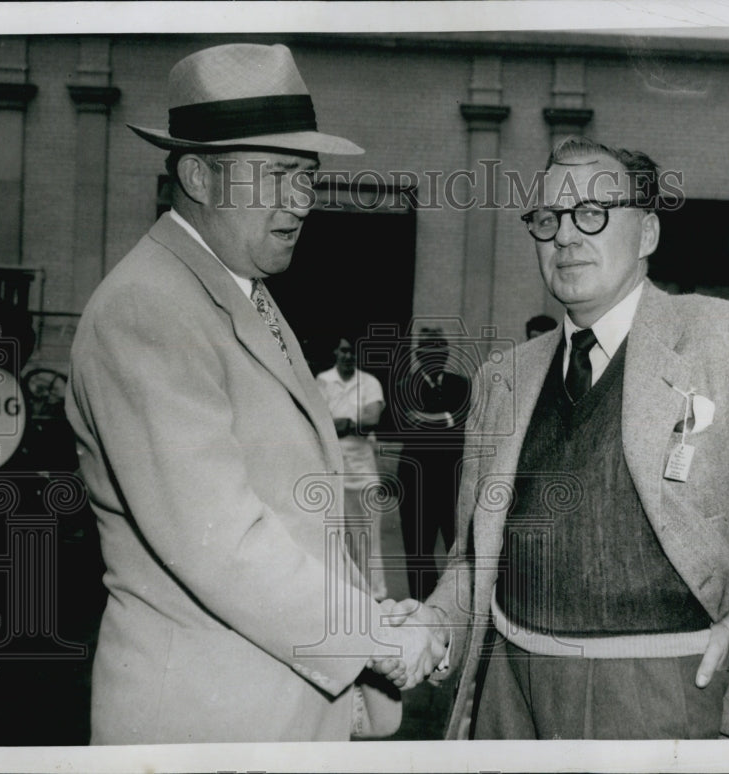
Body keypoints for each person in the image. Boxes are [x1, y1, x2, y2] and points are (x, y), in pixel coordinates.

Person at [411, 136, 729, 739]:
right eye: (548, 218)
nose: (567, 236)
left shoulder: (727, 343)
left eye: (593, 213)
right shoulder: (504, 378)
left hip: (665, 694)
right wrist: (432, 623)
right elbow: (474, 558)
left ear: (648, 234)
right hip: (510, 694)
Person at [65, 43, 444, 744]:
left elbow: (302, 514)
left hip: (277, 706)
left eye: (307, 178)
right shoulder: (148, 309)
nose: (301, 204)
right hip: (201, 722)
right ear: (198, 176)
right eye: (275, 177)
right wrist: (376, 637)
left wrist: (373, 620)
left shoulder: (240, 296)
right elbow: (224, 544)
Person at [383, 327, 471, 601]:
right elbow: (400, 424)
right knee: (418, 549)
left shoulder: (462, 385)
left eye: (441, 350)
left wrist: (429, 419)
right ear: (419, 355)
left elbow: (465, 424)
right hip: (416, 480)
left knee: (457, 548)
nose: (437, 356)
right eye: (429, 350)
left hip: (453, 480)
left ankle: (455, 605)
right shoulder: (404, 386)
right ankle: (422, 608)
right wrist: (446, 419)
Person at [317, 336, 389, 601]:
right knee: (337, 537)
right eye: (345, 351)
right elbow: (319, 420)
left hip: (364, 472)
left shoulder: (369, 383)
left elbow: (373, 418)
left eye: (354, 352)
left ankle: (377, 595)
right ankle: (346, 596)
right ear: (336, 351)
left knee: (369, 538)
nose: (349, 357)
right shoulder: (323, 380)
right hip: (334, 470)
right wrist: (348, 424)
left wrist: (345, 424)